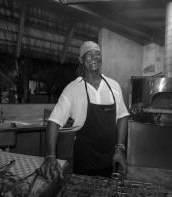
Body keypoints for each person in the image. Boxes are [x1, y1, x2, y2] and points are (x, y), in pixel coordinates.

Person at [38, 41, 129, 181]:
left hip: (111, 156)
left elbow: (122, 116)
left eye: (97, 54)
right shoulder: (73, 89)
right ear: (81, 60)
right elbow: (53, 122)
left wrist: (120, 147)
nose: (94, 57)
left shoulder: (113, 85)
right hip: (85, 158)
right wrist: (50, 156)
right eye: (89, 54)